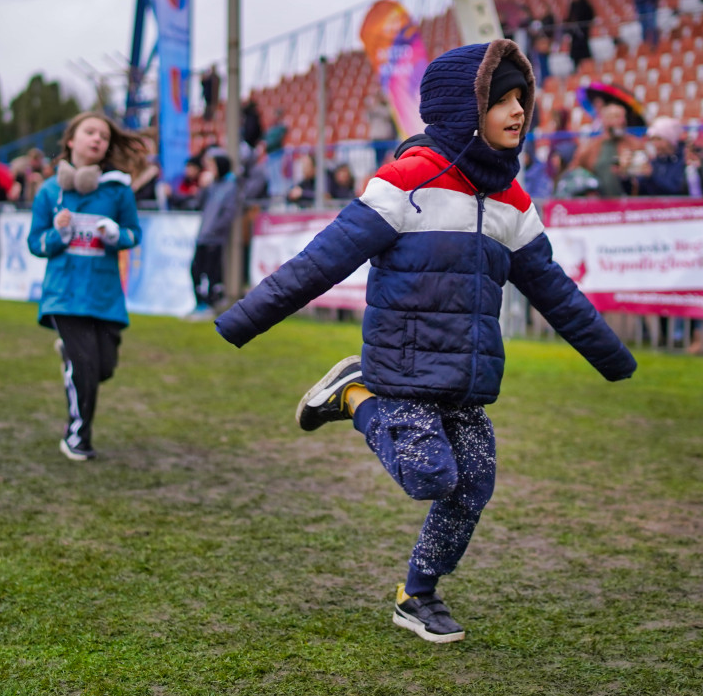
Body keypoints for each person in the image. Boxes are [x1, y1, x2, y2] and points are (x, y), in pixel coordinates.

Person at [213, 40, 636, 643]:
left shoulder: (513, 201)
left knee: (475, 485)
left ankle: (417, 595)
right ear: (466, 108)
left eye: (522, 99)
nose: (519, 112)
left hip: (466, 380)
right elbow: (319, 262)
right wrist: (242, 321)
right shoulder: (407, 179)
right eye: (502, 100)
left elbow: (556, 292)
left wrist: (612, 358)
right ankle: (355, 394)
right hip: (401, 370)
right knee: (430, 476)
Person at [27, 112, 144, 461]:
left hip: (105, 295)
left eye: (104, 137)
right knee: (84, 370)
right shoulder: (49, 191)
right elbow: (36, 243)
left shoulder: (118, 190)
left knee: (102, 368)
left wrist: (115, 235)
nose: (97, 140)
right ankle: (77, 436)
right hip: (64, 294)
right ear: (71, 141)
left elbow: (134, 234)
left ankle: (70, 356)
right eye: (90, 132)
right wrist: (59, 234)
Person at [187, 150, 238, 320]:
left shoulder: (230, 187)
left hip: (214, 239)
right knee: (195, 271)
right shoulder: (211, 186)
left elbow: (228, 214)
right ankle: (199, 303)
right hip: (203, 236)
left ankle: (208, 305)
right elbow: (198, 204)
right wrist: (202, 187)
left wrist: (215, 230)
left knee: (210, 273)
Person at [569, 103, 642, 198]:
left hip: (628, 202)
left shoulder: (634, 144)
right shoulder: (590, 147)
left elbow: (645, 176)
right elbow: (575, 172)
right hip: (600, 205)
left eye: (623, 117)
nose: (621, 121)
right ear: (604, 120)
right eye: (615, 117)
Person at [564, 0, 595, 68]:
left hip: (582, 33)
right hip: (574, 34)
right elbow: (569, 17)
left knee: (584, 52)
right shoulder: (573, 5)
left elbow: (589, 16)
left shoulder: (585, 5)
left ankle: (588, 67)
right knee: (575, 53)